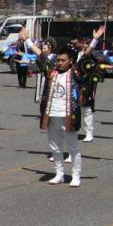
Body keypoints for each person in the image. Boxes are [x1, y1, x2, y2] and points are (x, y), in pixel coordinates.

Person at [38, 46, 86, 187]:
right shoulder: (52, 72)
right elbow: (42, 57)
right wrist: (27, 40)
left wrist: (95, 41)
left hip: (68, 116)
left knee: (73, 147)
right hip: (52, 115)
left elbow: (84, 59)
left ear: (71, 61)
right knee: (55, 147)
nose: (59, 62)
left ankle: (76, 175)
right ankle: (59, 174)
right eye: (58, 60)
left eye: (63, 60)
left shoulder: (75, 72)